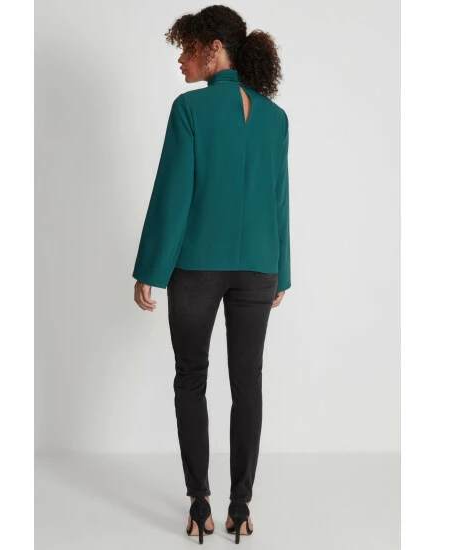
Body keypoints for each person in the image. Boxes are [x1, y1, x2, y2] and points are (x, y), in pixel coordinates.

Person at [132, 5, 291, 544]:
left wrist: (151, 268)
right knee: (248, 383)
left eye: (188, 47)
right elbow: (279, 198)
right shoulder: (275, 118)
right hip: (259, 267)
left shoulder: (190, 109)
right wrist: (281, 272)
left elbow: (172, 194)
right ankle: (240, 508)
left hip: (197, 265)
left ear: (214, 48)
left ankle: (200, 503)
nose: (181, 59)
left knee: (191, 378)